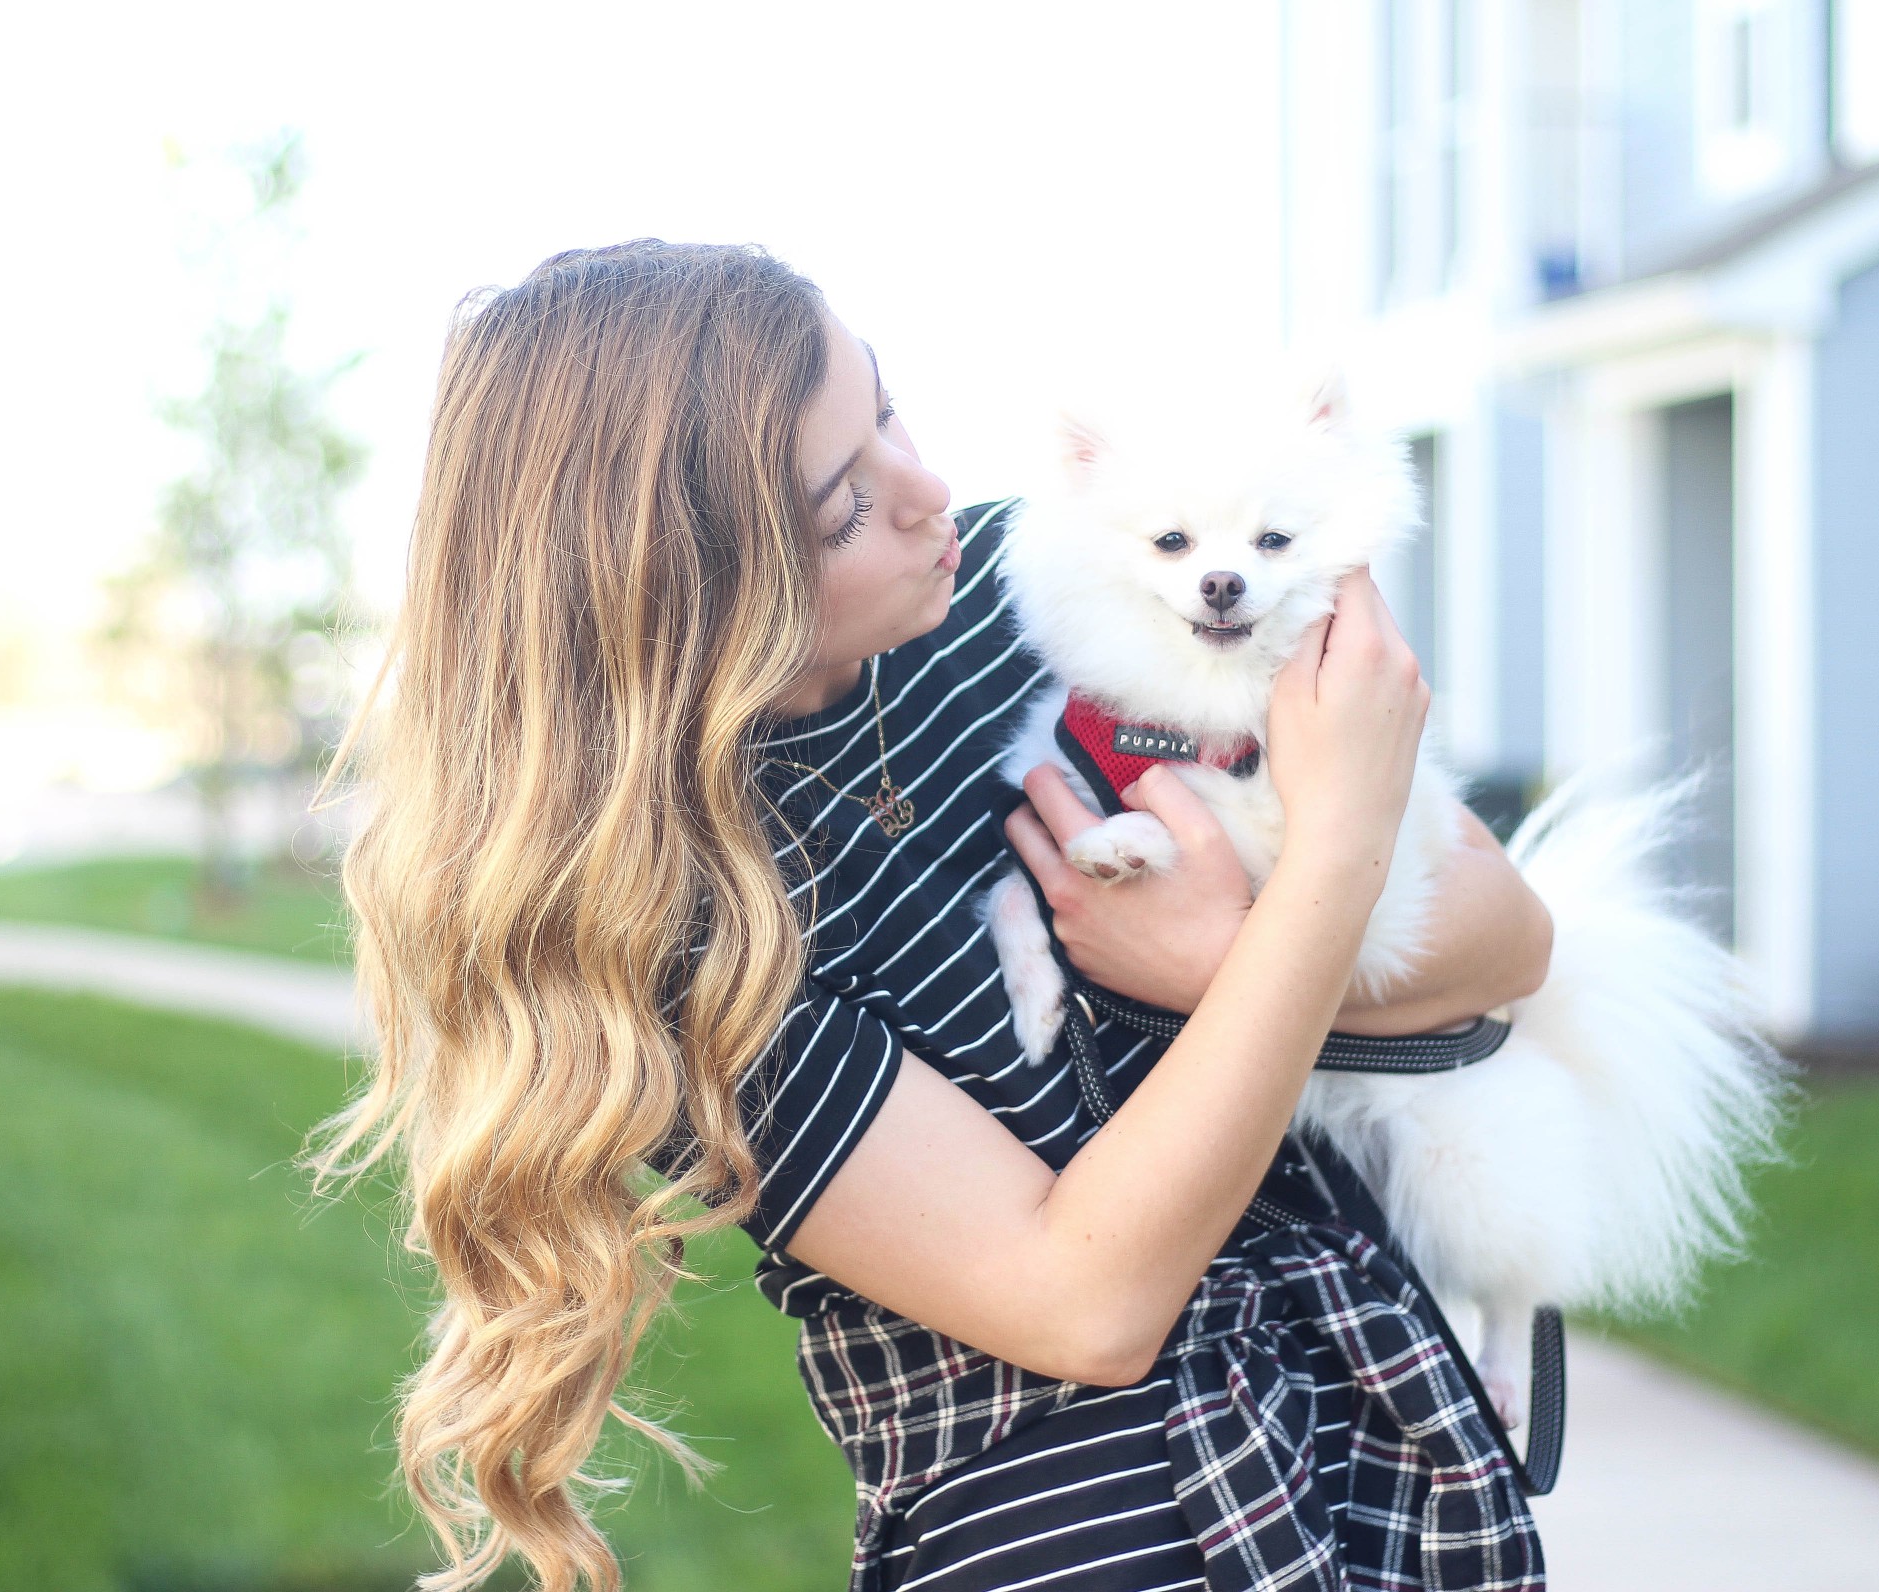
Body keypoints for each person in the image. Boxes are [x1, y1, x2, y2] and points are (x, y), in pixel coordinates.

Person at [317, 240, 1557, 1592]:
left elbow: (1507, 936)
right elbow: (1087, 1304)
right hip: (1080, 1542)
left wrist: (1237, 955)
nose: (928, 494)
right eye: (845, 505)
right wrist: (1304, 904)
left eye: (890, 409)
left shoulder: (1060, 590)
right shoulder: (686, 926)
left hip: (1366, 1448)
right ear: (692, 589)